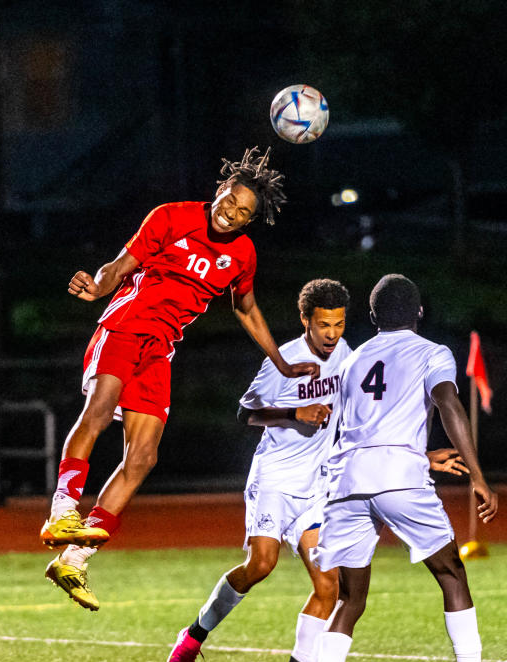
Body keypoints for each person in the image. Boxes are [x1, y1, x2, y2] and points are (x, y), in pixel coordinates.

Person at [166, 278, 469, 662]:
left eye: (339, 324)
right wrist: (294, 412)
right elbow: (244, 412)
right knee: (261, 564)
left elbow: (362, 422)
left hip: (319, 485)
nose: (332, 334)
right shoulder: (283, 360)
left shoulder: (347, 357)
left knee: (329, 585)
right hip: (275, 479)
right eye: (323, 324)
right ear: (305, 320)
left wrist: (422, 454)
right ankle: (195, 635)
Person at [41, 147, 319, 611]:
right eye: (230, 200)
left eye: (244, 212)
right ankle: (62, 511)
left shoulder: (243, 255)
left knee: (144, 457)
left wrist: (284, 365)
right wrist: (98, 286)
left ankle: (74, 558)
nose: (232, 213)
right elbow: (119, 266)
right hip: (126, 325)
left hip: (161, 350)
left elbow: (246, 309)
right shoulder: (171, 217)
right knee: (100, 409)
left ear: (250, 222)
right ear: (219, 190)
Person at [302, 274, 507, 662]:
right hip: (399, 478)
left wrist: (420, 456)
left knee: (349, 599)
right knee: (451, 575)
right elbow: (447, 403)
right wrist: (478, 474)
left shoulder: (352, 361)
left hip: (348, 482)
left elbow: (352, 433)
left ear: (373, 317)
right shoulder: (432, 352)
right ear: (419, 313)